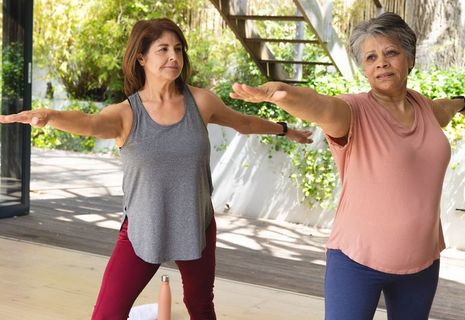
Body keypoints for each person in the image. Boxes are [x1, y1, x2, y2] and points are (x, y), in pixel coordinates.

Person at [0, 18, 312, 320]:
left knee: (201, 307)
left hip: (195, 224)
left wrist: (284, 128)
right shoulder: (126, 114)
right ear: (141, 58)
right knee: (108, 313)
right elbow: (90, 124)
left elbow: (242, 123)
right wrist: (49, 116)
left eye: (178, 49)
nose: (173, 57)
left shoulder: (201, 102)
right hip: (142, 229)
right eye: (163, 49)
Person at [230, 12, 465, 320]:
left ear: (409, 58)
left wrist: (464, 105)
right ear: (363, 68)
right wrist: (283, 94)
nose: (381, 63)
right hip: (356, 263)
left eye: (391, 53)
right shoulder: (353, 111)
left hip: (422, 263)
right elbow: (320, 105)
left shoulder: (425, 107)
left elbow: (449, 105)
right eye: (370, 57)